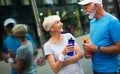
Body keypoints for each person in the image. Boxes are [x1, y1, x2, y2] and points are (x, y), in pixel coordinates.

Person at [78, 0, 120, 74]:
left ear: (96, 6)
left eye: (86, 7)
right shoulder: (92, 22)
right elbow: (95, 44)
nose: (84, 11)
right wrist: (89, 51)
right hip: (95, 69)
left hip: (110, 70)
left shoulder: (113, 21)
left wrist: (96, 48)